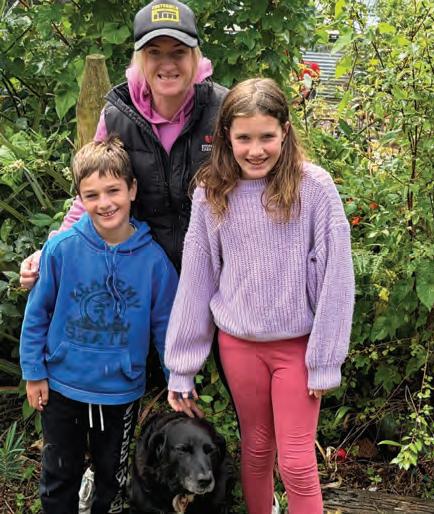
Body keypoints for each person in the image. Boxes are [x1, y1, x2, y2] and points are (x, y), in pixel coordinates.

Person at [164, 78, 355, 514]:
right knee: (255, 449)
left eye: (266, 136)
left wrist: (326, 359)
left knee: (297, 463)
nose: (255, 150)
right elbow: (197, 279)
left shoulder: (314, 188)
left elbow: (337, 279)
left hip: (297, 349)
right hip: (239, 347)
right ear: (225, 136)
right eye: (244, 138)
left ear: (285, 131)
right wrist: (182, 367)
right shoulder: (211, 192)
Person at [19, 0, 228, 287]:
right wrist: (49, 251)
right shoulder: (117, 117)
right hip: (143, 274)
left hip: (216, 272)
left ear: (194, 56)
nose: (167, 64)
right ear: (141, 58)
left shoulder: (224, 109)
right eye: (154, 52)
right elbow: (93, 190)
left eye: (178, 52)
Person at [19, 136, 178, 514]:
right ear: (80, 198)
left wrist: (177, 379)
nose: (104, 203)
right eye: (91, 195)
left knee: (112, 480)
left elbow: (166, 328)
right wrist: (34, 372)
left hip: (120, 393)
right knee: (59, 478)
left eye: (113, 191)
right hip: (62, 387)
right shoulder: (61, 249)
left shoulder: (154, 261)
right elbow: (37, 314)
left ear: (132, 189)